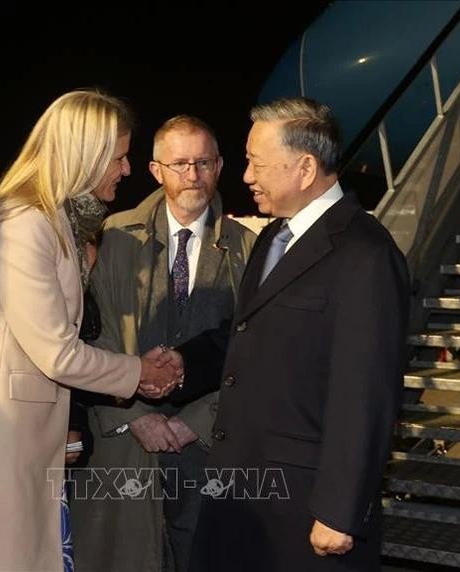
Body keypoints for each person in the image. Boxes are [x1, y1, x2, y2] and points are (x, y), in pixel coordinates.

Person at [0, 89, 180, 572]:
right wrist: (139, 372)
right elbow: (56, 352)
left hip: (18, 448)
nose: (126, 169)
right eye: (118, 156)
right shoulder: (24, 224)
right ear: (83, 155)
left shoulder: (50, 222)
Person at [169, 97, 410, 571]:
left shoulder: (365, 254)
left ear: (304, 167)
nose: (246, 176)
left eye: (256, 163)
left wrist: (340, 510)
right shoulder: (271, 239)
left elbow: (366, 392)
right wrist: (181, 364)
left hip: (303, 508)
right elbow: (251, 334)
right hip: (239, 493)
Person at [71, 115, 256, 572]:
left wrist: (196, 420)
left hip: (208, 449)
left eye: (203, 162)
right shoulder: (113, 238)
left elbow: (251, 350)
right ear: (155, 171)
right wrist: (135, 415)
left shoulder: (250, 250)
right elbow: (92, 336)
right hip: (124, 449)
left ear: (220, 165)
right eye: (179, 164)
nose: (192, 175)